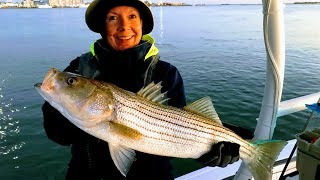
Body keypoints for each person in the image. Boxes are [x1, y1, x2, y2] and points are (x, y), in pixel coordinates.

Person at [41, 0, 246, 179]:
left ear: (142, 25)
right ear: (103, 26)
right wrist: (55, 106)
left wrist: (212, 150)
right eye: (113, 18)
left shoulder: (165, 72)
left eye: (132, 17)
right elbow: (58, 135)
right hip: (86, 174)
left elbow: (178, 127)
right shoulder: (80, 68)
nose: (124, 27)